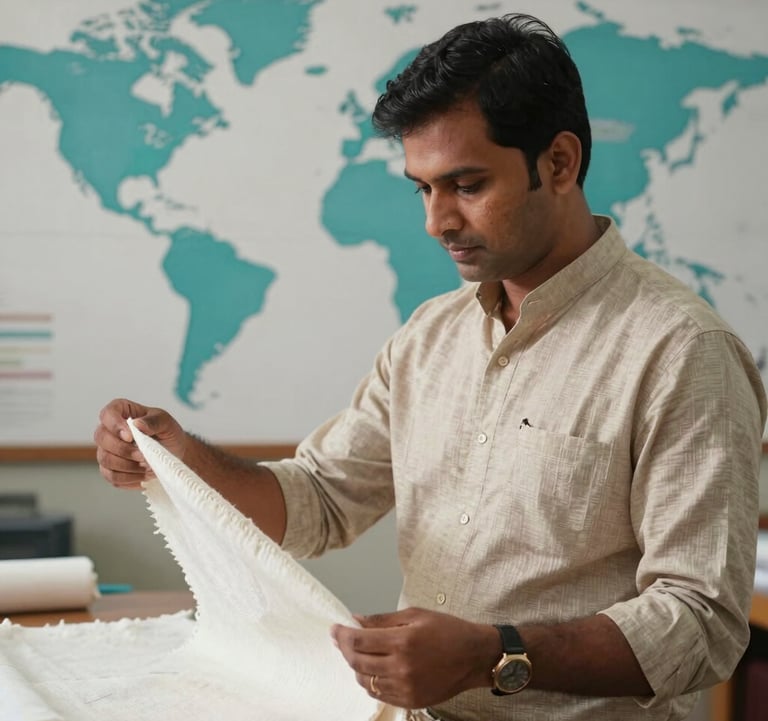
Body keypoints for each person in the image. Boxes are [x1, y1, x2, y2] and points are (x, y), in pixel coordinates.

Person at [94, 13, 767, 721]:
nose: (436, 221)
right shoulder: (429, 337)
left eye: (466, 185)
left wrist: (493, 655)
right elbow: (319, 500)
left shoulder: (683, 351)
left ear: (560, 164)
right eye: (423, 188)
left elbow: (703, 623)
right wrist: (181, 458)